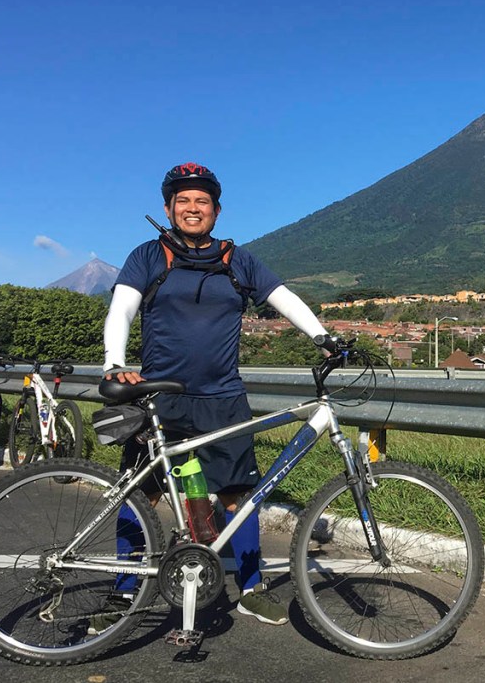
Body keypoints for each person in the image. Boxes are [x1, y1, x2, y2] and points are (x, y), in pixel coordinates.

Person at [96, 162, 330, 633]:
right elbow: (122, 307)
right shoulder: (148, 255)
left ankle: (249, 586)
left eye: (201, 200)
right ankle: (124, 586)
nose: (192, 207)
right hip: (160, 395)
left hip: (223, 395)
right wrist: (113, 360)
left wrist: (324, 337)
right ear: (168, 208)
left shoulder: (235, 259)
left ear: (216, 210)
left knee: (239, 495)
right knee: (139, 492)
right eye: (183, 200)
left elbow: (281, 295)